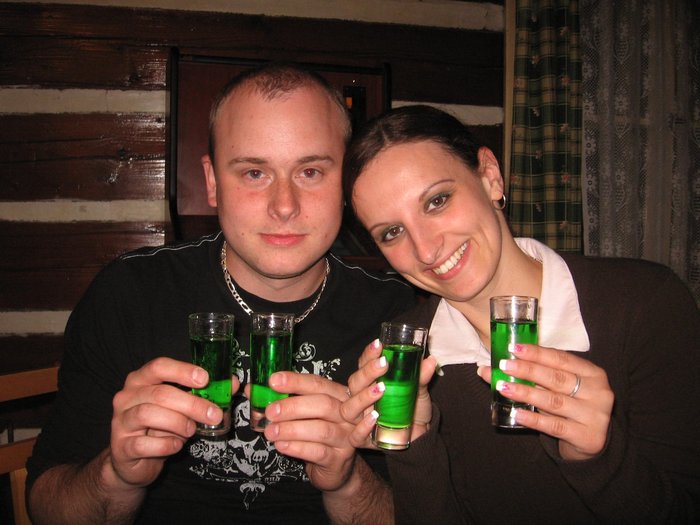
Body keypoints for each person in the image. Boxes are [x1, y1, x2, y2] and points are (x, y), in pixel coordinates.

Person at [26, 63, 414, 525]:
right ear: (212, 182)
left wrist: (348, 481)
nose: (284, 206)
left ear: (345, 183)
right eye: (254, 173)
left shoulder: (399, 320)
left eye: (310, 171)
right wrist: (117, 475)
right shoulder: (129, 294)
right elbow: (47, 508)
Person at [340, 104, 700, 523]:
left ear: (490, 176)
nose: (426, 249)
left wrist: (600, 459)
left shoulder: (644, 302)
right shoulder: (406, 357)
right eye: (392, 232)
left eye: (437, 201)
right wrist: (413, 440)